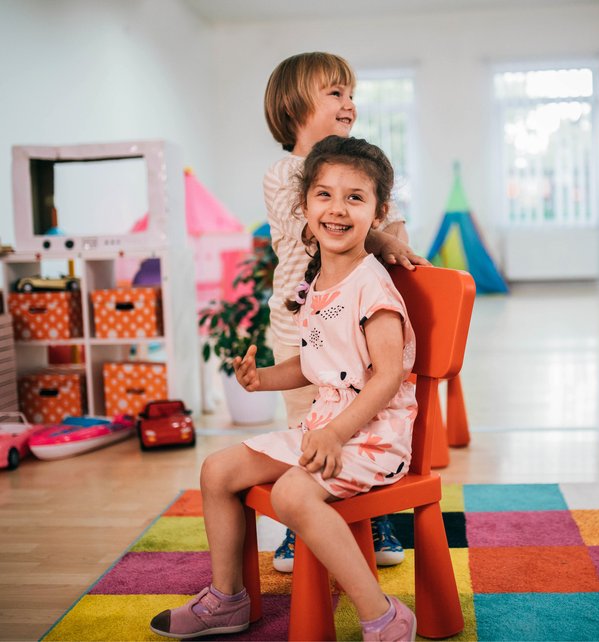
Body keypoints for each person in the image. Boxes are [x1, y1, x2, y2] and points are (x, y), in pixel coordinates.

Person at [150, 136, 418, 641]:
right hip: (325, 427)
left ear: (377, 214)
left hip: (373, 436)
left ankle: (384, 615)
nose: (337, 209)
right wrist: (261, 380)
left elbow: (386, 377)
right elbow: (318, 364)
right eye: (324, 195)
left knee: (295, 492)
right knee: (217, 469)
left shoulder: (373, 287)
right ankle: (227, 600)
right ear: (304, 206)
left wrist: (337, 433)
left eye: (355, 198)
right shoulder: (318, 283)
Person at [263, 51, 424, 572]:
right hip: (300, 331)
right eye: (335, 93)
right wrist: (379, 233)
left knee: (360, 424)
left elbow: (393, 227)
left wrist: (390, 234)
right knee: (309, 427)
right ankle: (300, 525)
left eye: (350, 93)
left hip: (352, 328)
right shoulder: (285, 174)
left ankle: (369, 513)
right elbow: (315, 230)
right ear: (294, 108)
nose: (348, 103)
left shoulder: (357, 169)